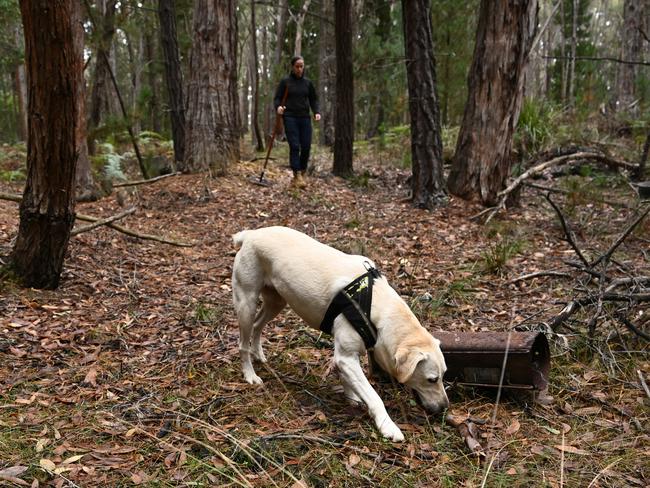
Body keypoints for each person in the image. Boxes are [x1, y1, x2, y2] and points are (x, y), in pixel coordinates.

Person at [274, 56, 321, 188]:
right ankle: (297, 175)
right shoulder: (286, 82)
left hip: (305, 117)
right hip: (290, 117)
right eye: (297, 66)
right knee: (294, 145)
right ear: (292, 67)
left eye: (302, 66)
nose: (300, 69)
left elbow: (313, 99)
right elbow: (277, 98)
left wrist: (316, 111)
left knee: (306, 146)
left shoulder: (308, 83)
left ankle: (302, 171)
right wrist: (278, 107)